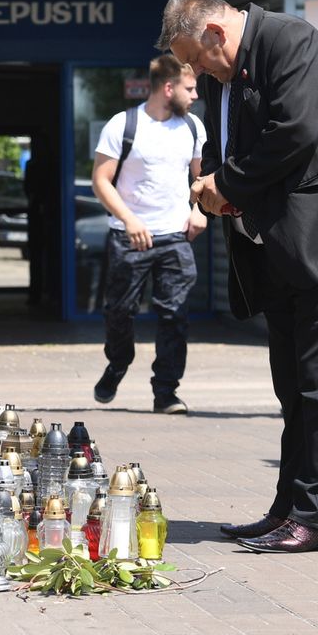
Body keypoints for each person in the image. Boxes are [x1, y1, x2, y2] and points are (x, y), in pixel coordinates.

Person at [159, 0, 318, 553]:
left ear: (217, 33)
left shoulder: (291, 41)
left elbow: (294, 131)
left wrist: (226, 186)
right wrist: (215, 183)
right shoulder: (231, 71)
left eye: (198, 60)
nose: (197, 73)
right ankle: (287, 509)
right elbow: (234, 144)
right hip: (287, 247)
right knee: (292, 385)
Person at [91, 55, 207, 414]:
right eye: (189, 89)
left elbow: (201, 178)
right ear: (168, 88)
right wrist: (129, 220)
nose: (195, 95)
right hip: (129, 236)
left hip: (174, 236)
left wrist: (199, 210)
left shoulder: (192, 127)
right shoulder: (123, 125)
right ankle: (118, 362)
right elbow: (101, 180)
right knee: (120, 312)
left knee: (175, 314)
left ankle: (166, 391)